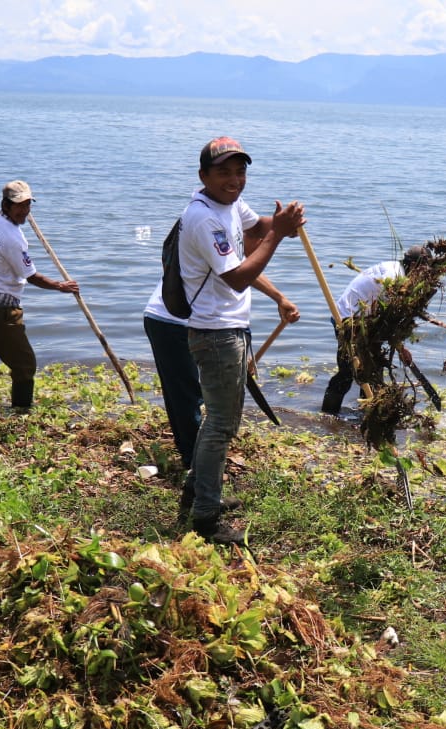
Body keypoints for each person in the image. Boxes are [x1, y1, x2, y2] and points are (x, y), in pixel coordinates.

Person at [178, 136, 305, 545]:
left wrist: (283, 221)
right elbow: (236, 278)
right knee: (221, 424)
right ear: (203, 177)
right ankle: (205, 519)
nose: (234, 180)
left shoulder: (228, 204)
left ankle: (197, 492)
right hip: (215, 332)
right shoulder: (203, 218)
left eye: (240, 171)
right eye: (224, 173)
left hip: (225, 328)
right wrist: (277, 236)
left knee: (215, 418)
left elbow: (258, 227)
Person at [142, 244, 296, 472]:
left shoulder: (229, 228)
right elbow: (239, 275)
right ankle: (196, 467)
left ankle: (200, 461)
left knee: (207, 395)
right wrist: (278, 234)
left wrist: (279, 298)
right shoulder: (209, 227)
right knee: (187, 397)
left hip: (204, 325)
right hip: (175, 322)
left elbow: (242, 273)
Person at [0, 180, 78, 410]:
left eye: (28, 205)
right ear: (6, 205)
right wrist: (61, 286)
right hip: (3, 308)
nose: (25, 211)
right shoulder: (14, 238)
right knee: (25, 365)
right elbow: (32, 277)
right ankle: (21, 411)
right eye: (19, 206)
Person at [321, 245, 428, 415]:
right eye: (424, 270)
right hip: (347, 321)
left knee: (373, 372)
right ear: (416, 266)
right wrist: (399, 346)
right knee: (348, 372)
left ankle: (366, 416)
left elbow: (385, 318)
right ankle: (327, 416)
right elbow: (387, 317)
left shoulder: (397, 269)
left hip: (364, 321)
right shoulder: (395, 278)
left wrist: (400, 347)